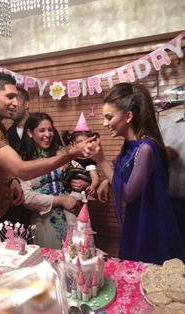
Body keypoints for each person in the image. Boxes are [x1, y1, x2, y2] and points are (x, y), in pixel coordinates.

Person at [0, 72, 98, 240]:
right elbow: (22, 170)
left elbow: (2, 166)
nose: (16, 103)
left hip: (7, 212)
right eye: (10, 97)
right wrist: (71, 154)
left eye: (17, 97)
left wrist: (11, 180)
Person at [94, 82, 184, 264]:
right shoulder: (130, 146)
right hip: (136, 220)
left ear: (128, 116)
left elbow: (127, 195)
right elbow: (121, 165)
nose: (104, 123)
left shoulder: (146, 149)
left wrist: (100, 161)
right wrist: (106, 181)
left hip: (148, 224)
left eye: (109, 117)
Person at [19, 112, 81, 249]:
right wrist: (60, 200)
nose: (47, 134)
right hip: (44, 222)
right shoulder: (23, 162)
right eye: (42, 130)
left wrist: (83, 183)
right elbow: (26, 197)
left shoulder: (61, 154)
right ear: (29, 133)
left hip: (72, 217)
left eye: (50, 130)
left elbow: (81, 174)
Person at [159, 110, 185, 245]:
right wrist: (162, 152)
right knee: (174, 249)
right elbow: (146, 149)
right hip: (172, 202)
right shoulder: (165, 122)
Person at [62, 112, 100, 198]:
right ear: (72, 144)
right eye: (79, 142)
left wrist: (93, 186)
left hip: (80, 194)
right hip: (64, 191)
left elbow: (94, 176)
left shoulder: (88, 160)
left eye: (86, 142)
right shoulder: (68, 157)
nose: (83, 145)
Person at [7, 87, 30, 154]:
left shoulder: (43, 127)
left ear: (26, 104)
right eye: (9, 102)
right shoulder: (8, 134)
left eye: (15, 100)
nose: (11, 106)